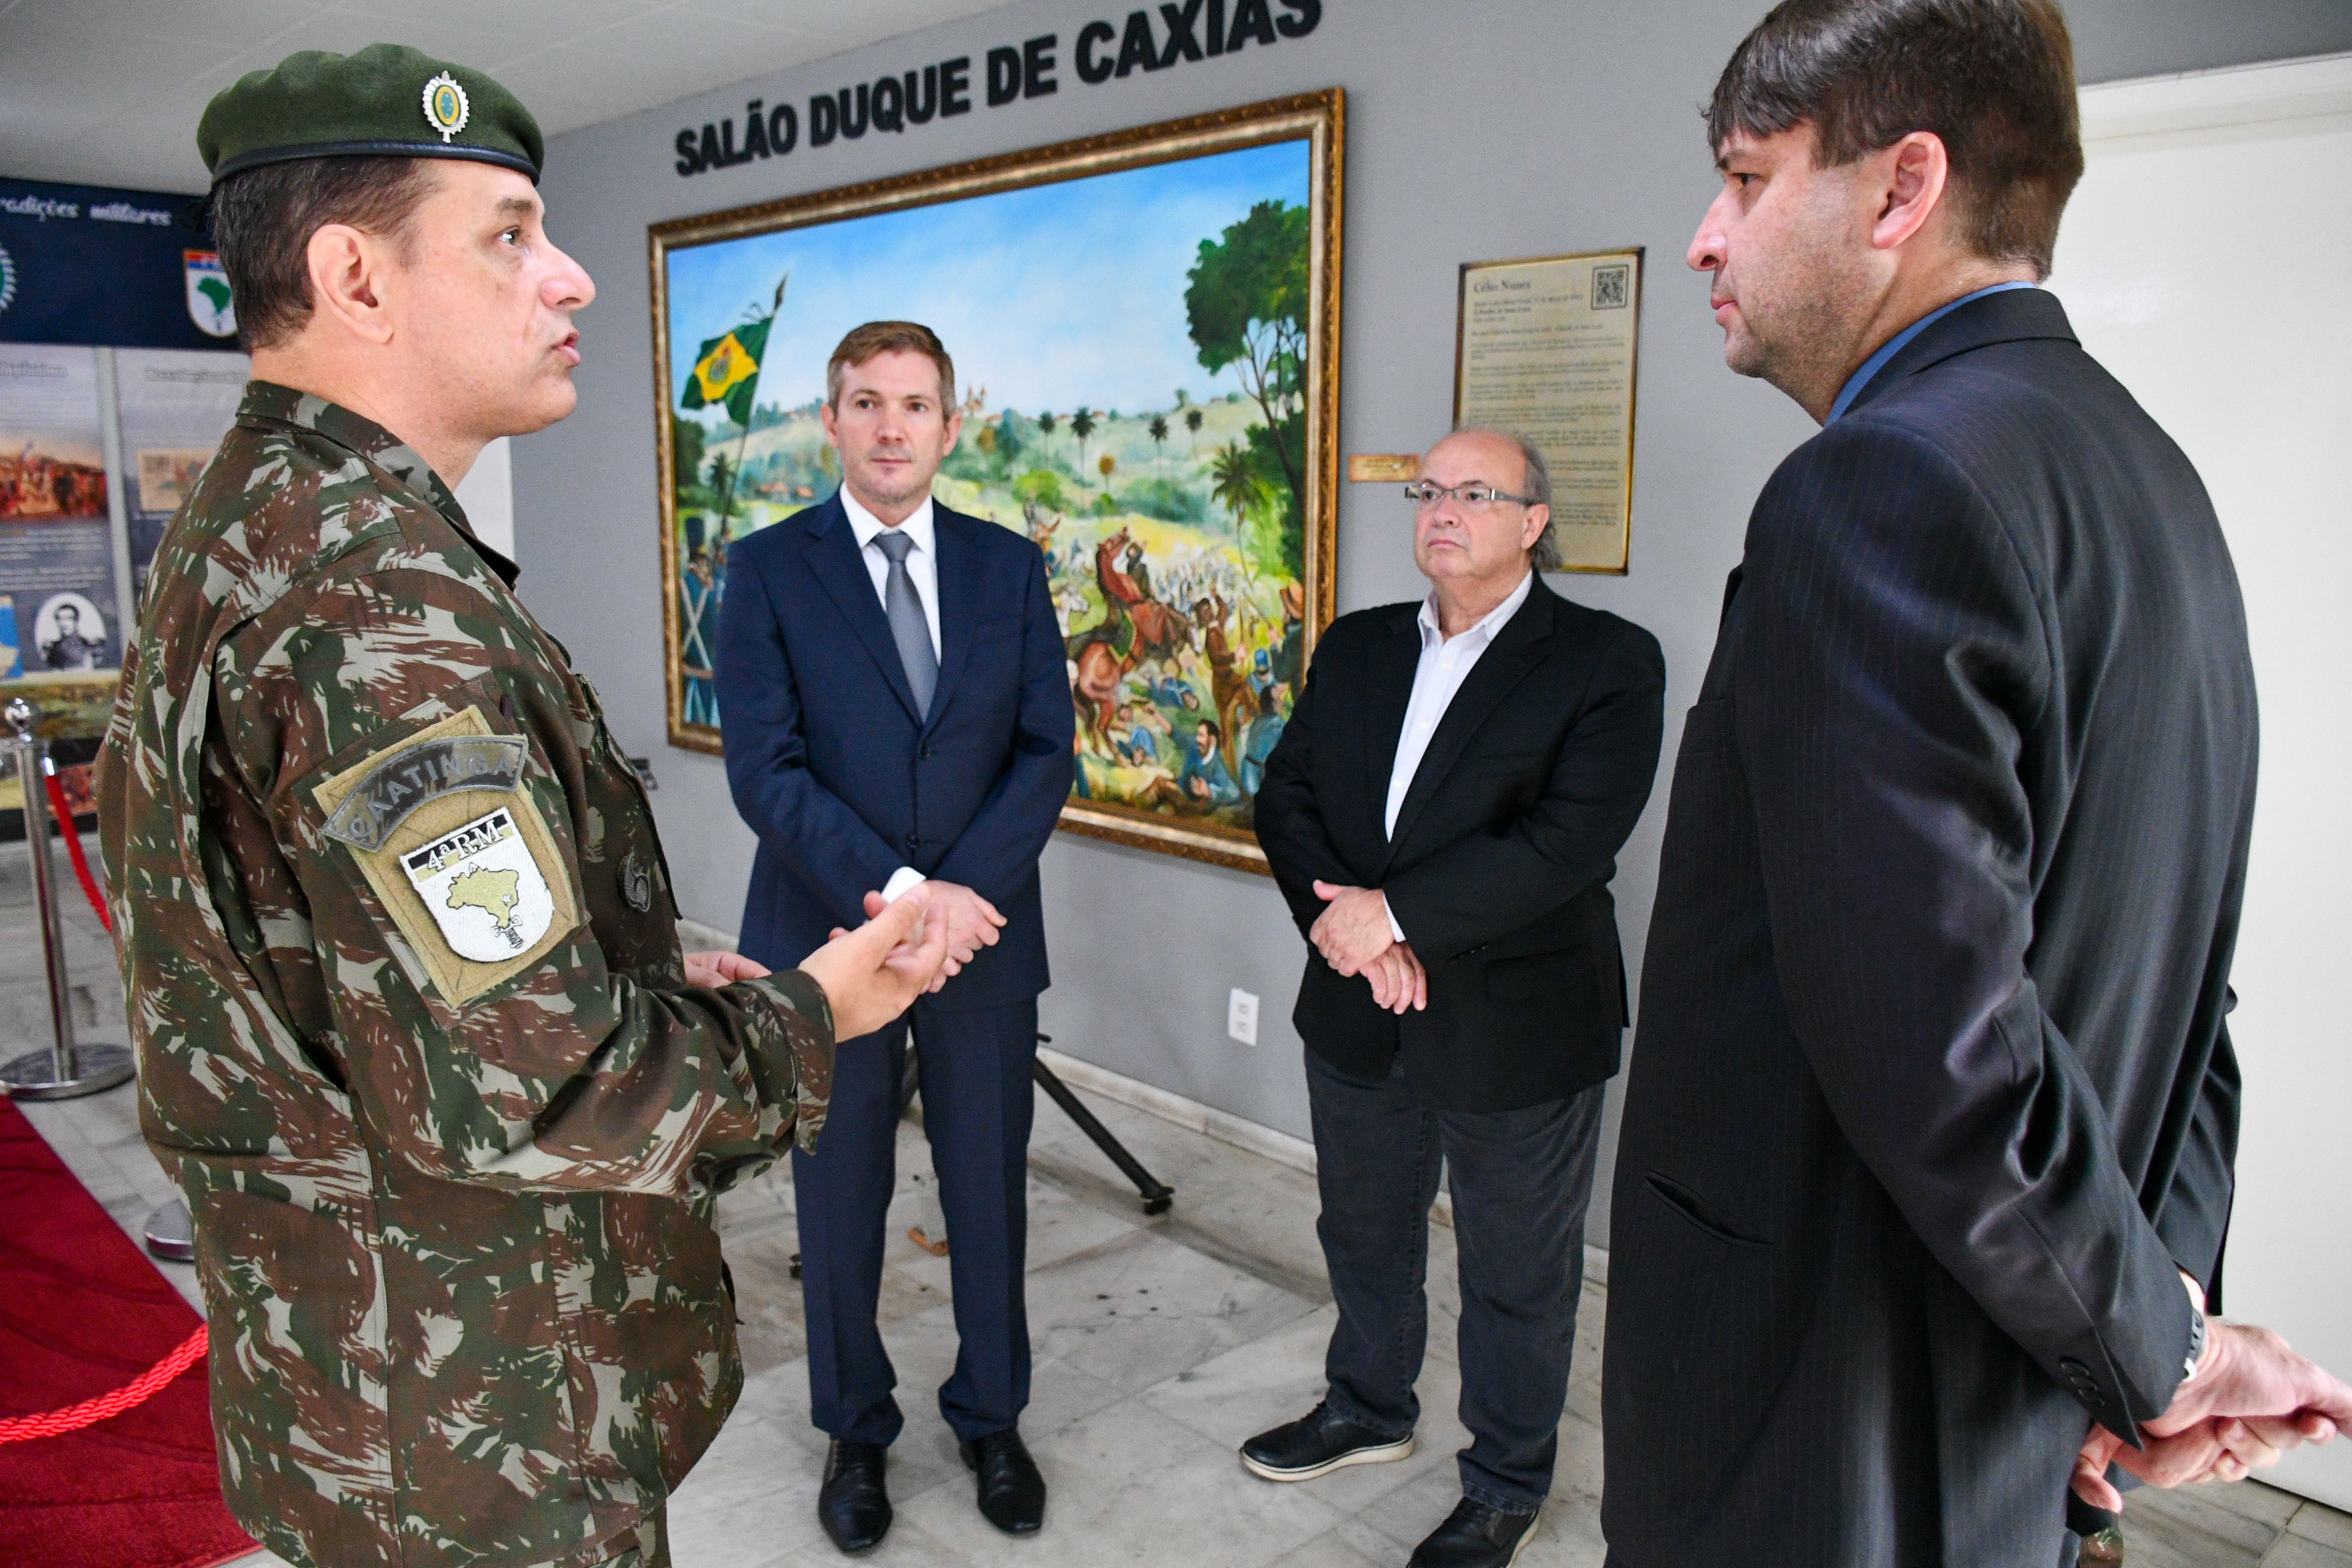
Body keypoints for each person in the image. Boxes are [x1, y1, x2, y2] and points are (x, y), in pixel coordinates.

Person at [94, 45, 950, 1568]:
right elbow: (545, 1092)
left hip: (369, 1380)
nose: (573, 281)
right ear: (356, 276)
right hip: (473, 1419)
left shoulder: (260, 515)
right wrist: (820, 1011)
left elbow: (333, 956)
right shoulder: (370, 598)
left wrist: (610, 962)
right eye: (508, 233)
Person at [1602, 5, 2352, 1566]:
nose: (1701, 237)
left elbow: (1941, 1046)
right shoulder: (2148, 480)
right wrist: (2144, 1328)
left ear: (1897, 191)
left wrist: (2162, 1356)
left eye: (1743, 178)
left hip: (1827, 1421)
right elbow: (2181, 1001)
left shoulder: (1873, 488)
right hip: (2019, 1408)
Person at [1251, 428, 1665, 1568]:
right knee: (1364, 1230)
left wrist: (1394, 916)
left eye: (1475, 493)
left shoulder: (1607, 662)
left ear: (1533, 520)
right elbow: (1287, 799)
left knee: (1518, 1271)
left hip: (1521, 1026)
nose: (1442, 510)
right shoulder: (1361, 646)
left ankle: (1505, 1480)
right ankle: (1368, 1405)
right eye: (1429, 491)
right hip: (1355, 1004)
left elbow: (1565, 846)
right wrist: (1350, 932)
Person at [715, 320, 1073, 1553]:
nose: (888, 428)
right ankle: (854, 1431)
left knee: (987, 1190)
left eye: (914, 405)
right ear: (831, 420)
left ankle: (991, 1418)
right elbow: (766, 772)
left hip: (983, 942)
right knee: (840, 1195)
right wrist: (911, 892)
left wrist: (960, 899)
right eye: (864, 403)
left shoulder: (1007, 569)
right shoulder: (763, 572)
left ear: (949, 424)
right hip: (831, 943)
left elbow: (1044, 753)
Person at [40, 599, 101, 669]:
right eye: (60, 619)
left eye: (68, 618)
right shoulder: (51, 650)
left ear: (76, 620)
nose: (64, 624)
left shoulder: (89, 647)